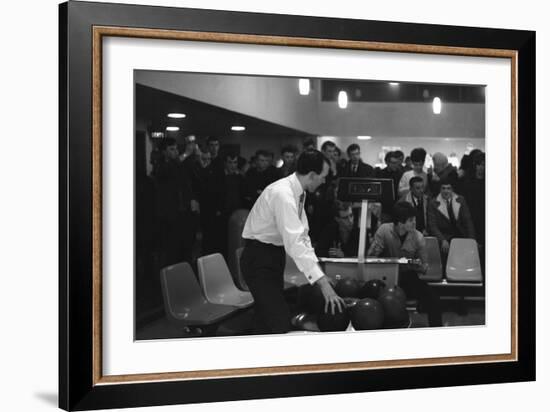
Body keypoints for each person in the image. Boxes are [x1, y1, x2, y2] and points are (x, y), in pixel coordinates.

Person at [240, 150, 345, 334]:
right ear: (312, 175)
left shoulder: (297, 192)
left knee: (265, 318)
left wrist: (318, 273)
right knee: (278, 321)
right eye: (323, 177)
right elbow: (295, 241)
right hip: (259, 259)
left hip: (272, 256)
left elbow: (303, 235)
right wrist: (322, 284)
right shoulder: (283, 194)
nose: (324, 181)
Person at [367, 202, 442, 327]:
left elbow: (424, 268)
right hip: (385, 276)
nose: (414, 223)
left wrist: (418, 265)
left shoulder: (418, 237)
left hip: (408, 277)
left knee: (434, 299)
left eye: (414, 219)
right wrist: (376, 252)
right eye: (411, 220)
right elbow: (371, 257)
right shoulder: (384, 230)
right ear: (400, 223)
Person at [427, 178, 476, 269]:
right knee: (444, 252)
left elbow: (468, 221)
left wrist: (472, 240)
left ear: (452, 190)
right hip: (444, 236)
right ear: (440, 190)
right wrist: (442, 240)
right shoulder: (433, 203)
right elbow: (432, 226)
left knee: (466, 258)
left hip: (460, 235)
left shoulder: (460, 200)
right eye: (443, 188)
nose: (446, 191)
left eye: (448, 188)